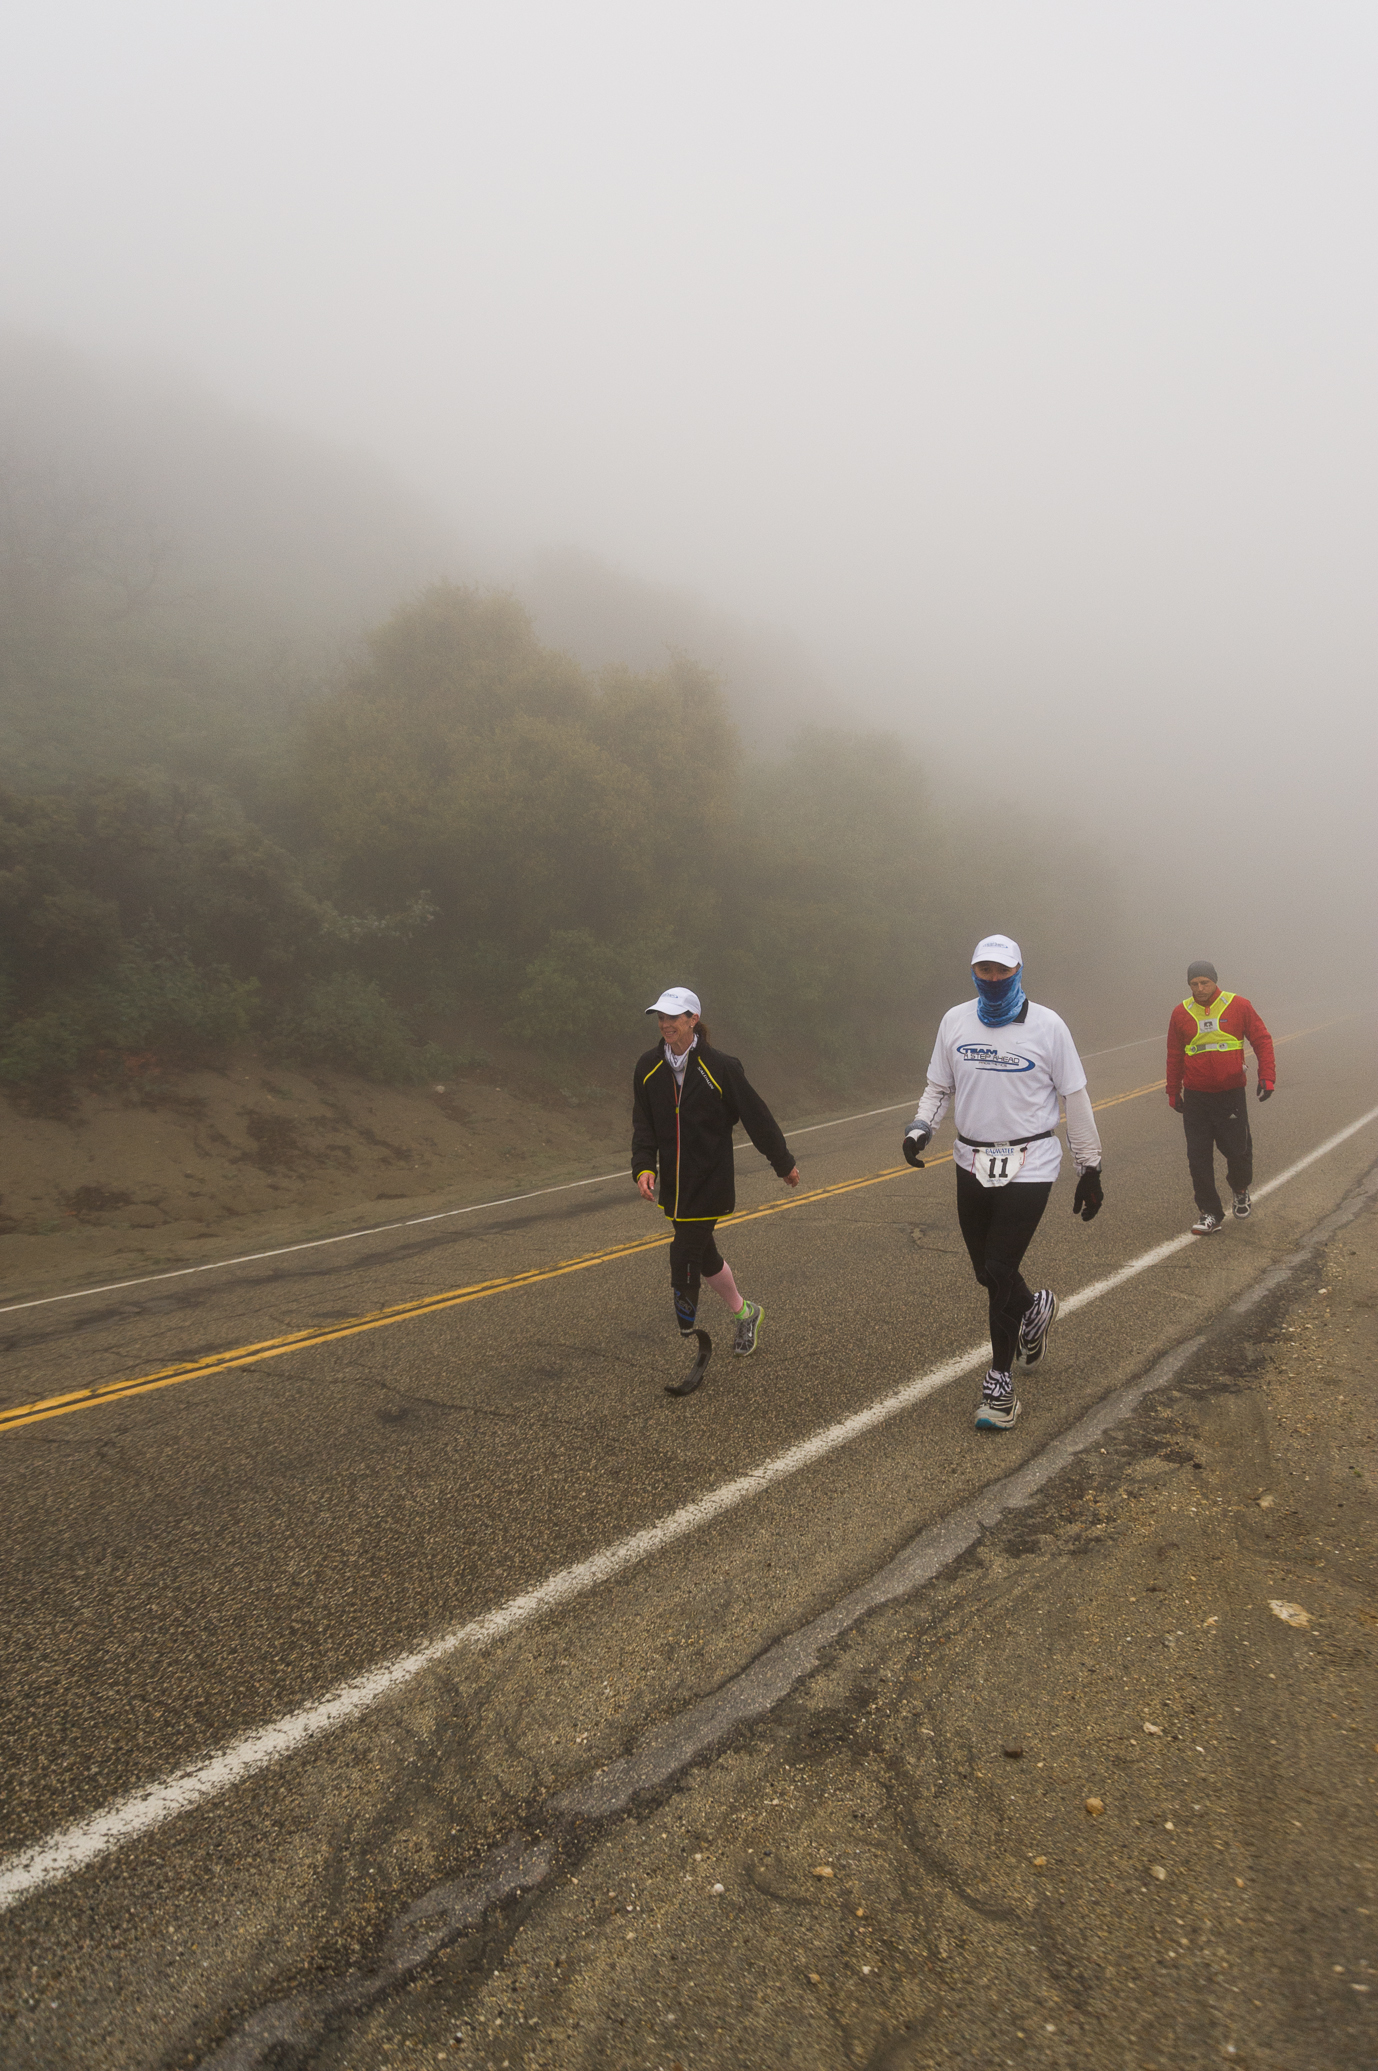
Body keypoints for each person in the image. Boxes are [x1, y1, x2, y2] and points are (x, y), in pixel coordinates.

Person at [901, 935, 1103, 1432]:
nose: (993, 980)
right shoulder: (955, 1020)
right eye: (984, 970)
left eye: (1002, 971)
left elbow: (1073, 1098)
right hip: (971, 1159)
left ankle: (999, 1384)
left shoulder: (1048, 1025)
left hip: (1031, 1159)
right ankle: (1034, 1309)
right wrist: (920, 1126)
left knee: (999, 1264)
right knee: (987, 1273)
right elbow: (939, 1085)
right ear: (974, 971)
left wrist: (1090, 1167)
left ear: (1018, 971)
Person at [632, 986, 799, 1366]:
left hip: (709, 1179)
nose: (664, 1024)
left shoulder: (720, 1066)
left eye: (673, 1018)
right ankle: (746, 1313)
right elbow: (643, 1124)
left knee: (685, 1252)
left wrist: (783, 1162)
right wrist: (643, 1166)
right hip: (674, 1187)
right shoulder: (648, 1067)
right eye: (660, 1017)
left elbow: (757, 1116)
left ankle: (688, 1333)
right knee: (704, 1255)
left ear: (693, 1019)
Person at [1166, 961, 1275, 1235]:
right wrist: (1172, 1090)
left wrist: (1267, 1075)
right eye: (1194, 984)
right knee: (1198, 1157)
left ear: (1215, 981)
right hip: (1196, 1097)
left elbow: (1261, 1039)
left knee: (1237, 1151)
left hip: (1230, 1094)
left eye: (1205, 983)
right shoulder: (1180, 1013)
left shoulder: (1238, 1005)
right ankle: (1210, 1212)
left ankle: (1240, 1190)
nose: (1200, 989)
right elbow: (1174, 1054)